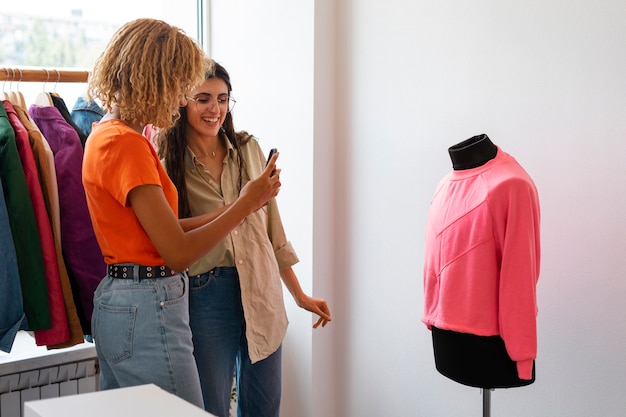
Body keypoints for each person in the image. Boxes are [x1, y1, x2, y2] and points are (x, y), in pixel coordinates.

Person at [81, 19, 281, 408]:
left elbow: (164, 228)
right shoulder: (128, 144)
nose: (178, 98)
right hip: (148, 305)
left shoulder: (107, 134)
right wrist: (242, 205)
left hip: (120, 300)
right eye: (178, 85)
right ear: (155, 79)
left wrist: (241, 204)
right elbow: (178, 252)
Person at [157, 58, 332, 417]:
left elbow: (272, 228)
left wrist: (298, 294)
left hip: (262, 285)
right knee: (211, 407)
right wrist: (244, 202)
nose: (214, 109)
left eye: (223, 99)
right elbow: (171, 235)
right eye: (203, 98)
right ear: (182, 101)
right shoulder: (167, 159)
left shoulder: (248, 148)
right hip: (206, 295)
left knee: (264, 407)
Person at [422, 134, 540, 389]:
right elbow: (434, 265)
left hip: (493, 347)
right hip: (446, 340)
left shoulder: (512, 184)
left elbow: (519, 277)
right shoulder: (444, 185)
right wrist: (432, 316)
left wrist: (522, 355)